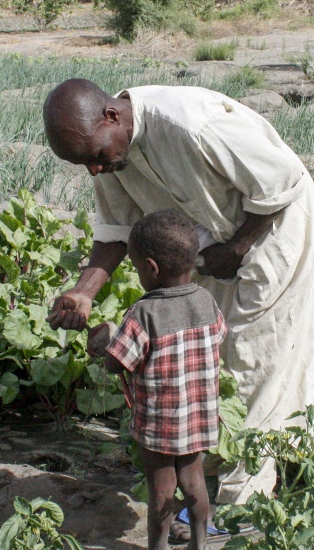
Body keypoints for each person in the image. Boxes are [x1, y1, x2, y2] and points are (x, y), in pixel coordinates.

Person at [42, 79, 314, 514]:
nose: (94, 170)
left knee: (253, 353)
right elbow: (116, 228)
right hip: (207, 245)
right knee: (211, 355)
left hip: (270, 226)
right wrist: (83, 292)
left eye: (94, 158)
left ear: (112, 116)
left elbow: (282, 182)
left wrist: (237, 248)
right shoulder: (109, 152)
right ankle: (227, 463)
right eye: (84, 164)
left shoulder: (192, 126)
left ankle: (243, 499)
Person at [86, 209, 226, 550]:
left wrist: (102, 343)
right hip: (198, 417)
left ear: (151, 268)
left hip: (159, 423)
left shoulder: (144, 313)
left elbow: (116, 364)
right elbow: (219, 335)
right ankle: (199, 544)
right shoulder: (207, 301)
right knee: (194, 484)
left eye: (136, 269)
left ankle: (158, 546)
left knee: (161, 491)